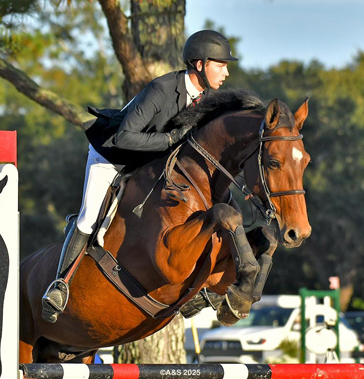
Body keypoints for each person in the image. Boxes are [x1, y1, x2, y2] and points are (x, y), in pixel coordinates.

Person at [41, 29, 238, 323]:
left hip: (151, 161)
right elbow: (125, 137)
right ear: (200, 64)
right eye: (220, 65)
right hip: (113, 156)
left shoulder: (207, 98)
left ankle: (203, 291)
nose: (226, 72)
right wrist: (171, 139)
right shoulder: (161, 89)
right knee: (89, 218)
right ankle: (60, 284)